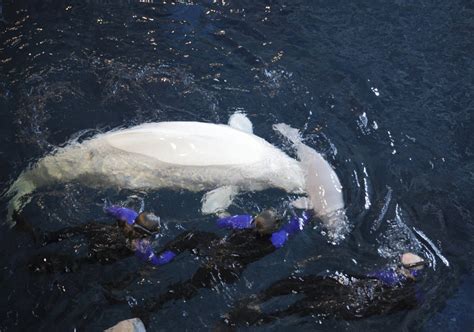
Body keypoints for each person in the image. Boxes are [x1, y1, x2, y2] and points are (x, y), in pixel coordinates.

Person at [126, 209, 311, 320]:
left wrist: (229, 216)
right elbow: (295, 226)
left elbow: (219, 222)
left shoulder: (245, 221)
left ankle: (158, 259)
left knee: (190, 236)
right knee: (191, 285)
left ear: (256, 219)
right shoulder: (277, 240)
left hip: (216, 249)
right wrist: (307, 211)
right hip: (229, 268)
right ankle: (153, 305)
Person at [219, 253, 426, 327]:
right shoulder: (413, 293)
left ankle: (252, 313)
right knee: (300, 296)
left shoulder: (388, 276)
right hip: (351, 298)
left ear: (404, 269)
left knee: (300, 303)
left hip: (350, 300)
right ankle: (255, 309)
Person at [13, 206, 169, 273]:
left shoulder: (127, 213)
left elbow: (108, 209)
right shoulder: (141, 247)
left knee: (87, 227)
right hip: (106, 252)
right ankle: (48, 265)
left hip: (99, 233)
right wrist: (174, 250)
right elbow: (156, 262)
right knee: (83, 262)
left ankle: (46, 238)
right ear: (147, 234)